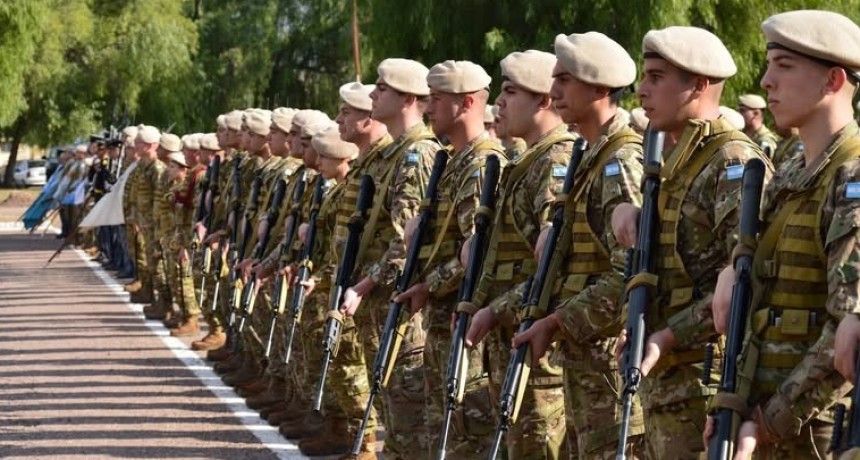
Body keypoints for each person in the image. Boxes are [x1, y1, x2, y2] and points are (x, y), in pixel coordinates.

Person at [610, 26, 769, 458]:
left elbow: (745, 283)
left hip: (705, 382)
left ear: (698, 85)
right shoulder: (677, 158)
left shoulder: (731, 160)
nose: (641, 90)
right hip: (668, 378)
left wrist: (667, 336)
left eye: (656, 77)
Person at [709, 10, 860, 459]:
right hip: (761, 415)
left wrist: (767, 422)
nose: (766, 81)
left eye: (784, 66)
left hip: (813, 430)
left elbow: (845, 335)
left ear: (833, 80)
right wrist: (732, 406)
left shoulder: (852, 176)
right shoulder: (793, 169)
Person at [505, 32, 647, 459]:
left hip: (607, 364)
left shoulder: (619, 161)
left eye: (565, 80)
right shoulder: (590, 156)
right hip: (585, 361)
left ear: (600, 89)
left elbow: (629, 276)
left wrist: (556, 323)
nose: (553, 92)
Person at [461, 48, 574, 459]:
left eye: (511, 92)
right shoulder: (527, 160)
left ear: (543, 100)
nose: (499, 103)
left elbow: (553, 265)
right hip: (512, 338)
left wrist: (495, 310)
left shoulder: (555, 160)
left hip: (535, 350)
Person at [394, 59, 505, 458]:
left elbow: (477, 254)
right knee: (440, 426)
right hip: (443, 318)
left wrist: (431, 284)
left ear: (467, 103)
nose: (428, 108)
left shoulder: (481, 166)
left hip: (464, 321)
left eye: (437, 99)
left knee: (464, 434)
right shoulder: (453, 161)